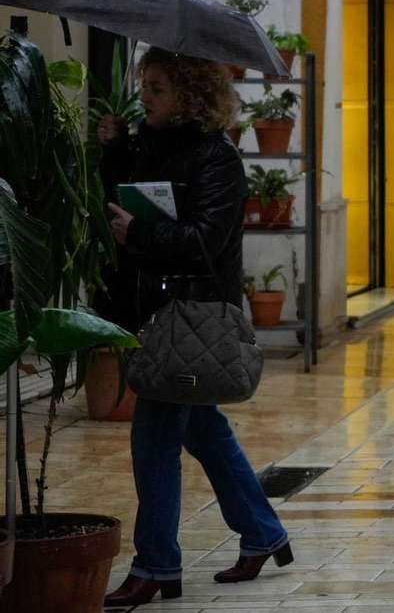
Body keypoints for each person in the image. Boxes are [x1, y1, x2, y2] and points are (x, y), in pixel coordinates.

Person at [97, 49, 292, 608]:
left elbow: (207, 241)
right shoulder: (143, 143)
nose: (145, 97)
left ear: (188, 93)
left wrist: (142, 235)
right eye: (145, 86)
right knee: (202, 427)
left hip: (191, 316)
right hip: (151, 312)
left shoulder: (218, 156)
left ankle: (156, 564)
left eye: (157, 88)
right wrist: (112, 153)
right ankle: (261, 532)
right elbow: (117, 206)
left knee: (154, 435)